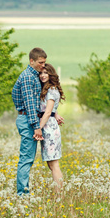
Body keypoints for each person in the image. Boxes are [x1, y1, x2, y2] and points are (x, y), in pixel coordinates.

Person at [11, 48, 47, 196]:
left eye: (44, 62)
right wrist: (36, 127)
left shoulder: (34, 76)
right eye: (40, 62)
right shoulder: (27, 77)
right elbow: (30, 105)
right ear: (31, 61)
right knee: (26, 158)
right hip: (28, 120)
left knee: (28, 158)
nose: (43, 66)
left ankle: (23, 192)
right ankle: (22, 194)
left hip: (29, 119)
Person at [38, 63, 65, 192]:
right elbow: (51, 110)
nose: (43, 76)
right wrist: (56, 114)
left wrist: (39, 128)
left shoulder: (52, 90)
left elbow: (48, 112)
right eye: (41, 73)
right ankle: (58, 191)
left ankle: (59, 193)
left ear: (51, 74)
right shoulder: (48, 89)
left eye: (45, 73)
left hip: (49, 128)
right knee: (51, 163)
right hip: (48, 126)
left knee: (54, 164)